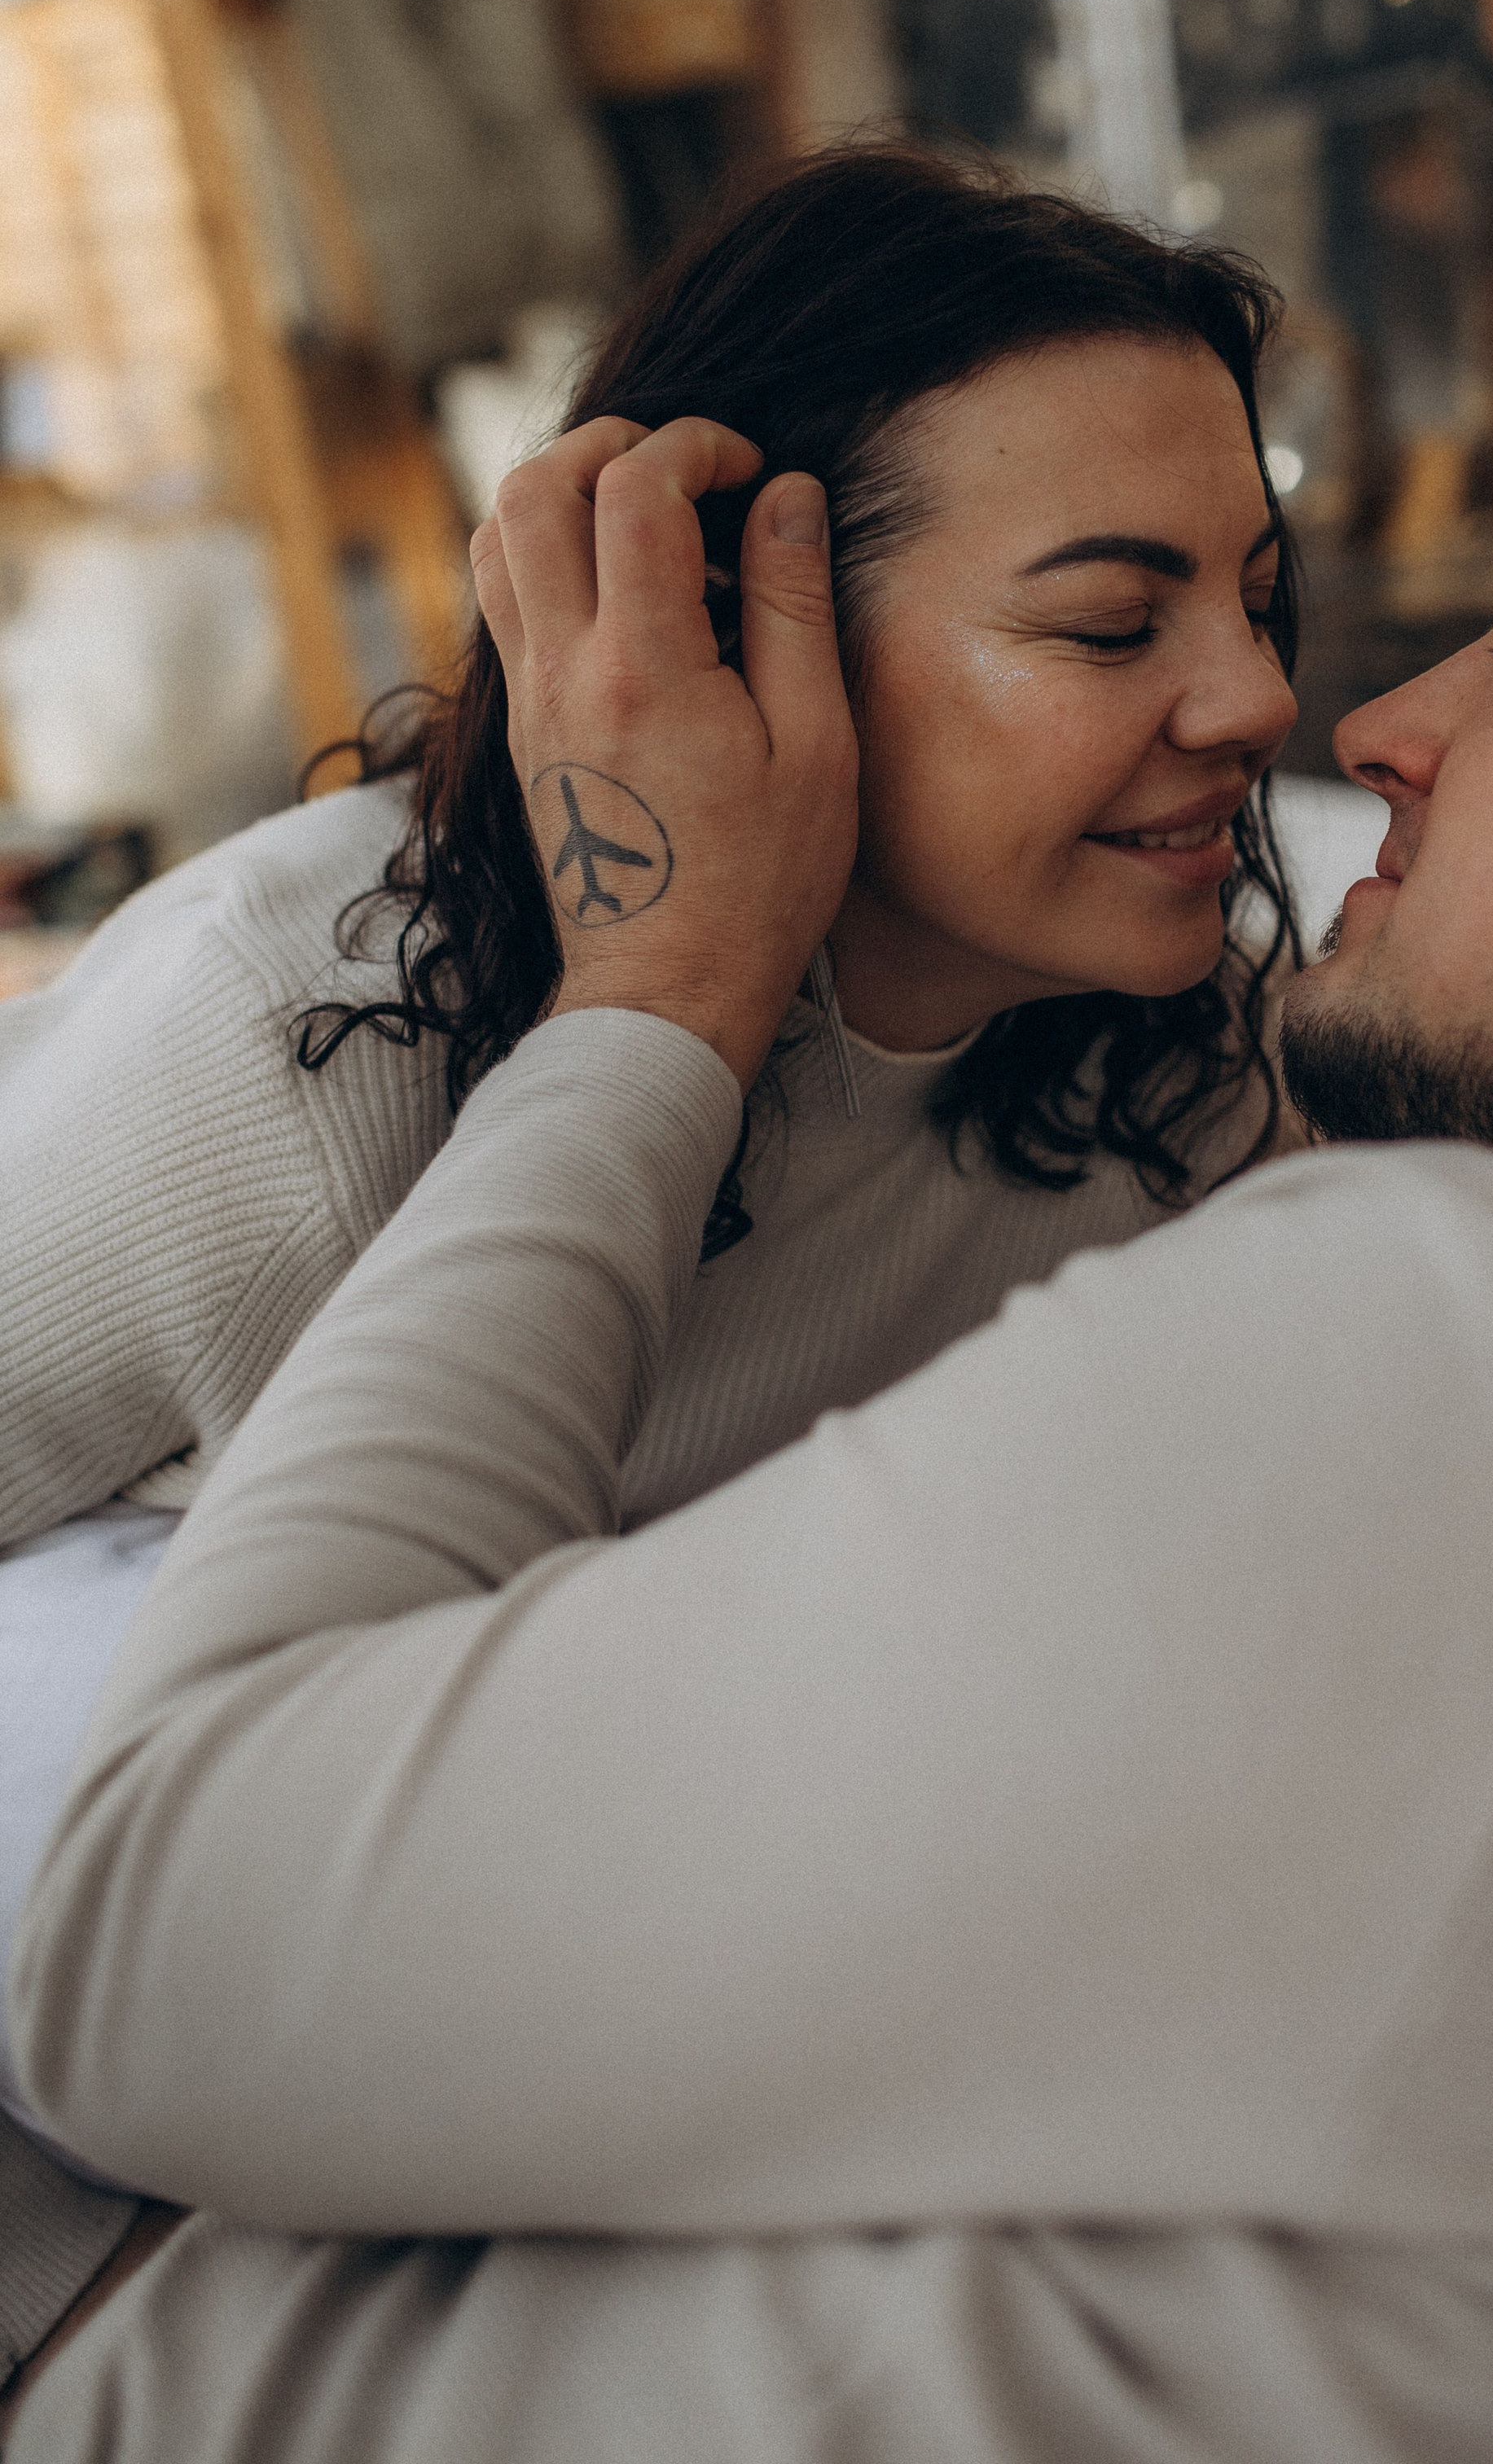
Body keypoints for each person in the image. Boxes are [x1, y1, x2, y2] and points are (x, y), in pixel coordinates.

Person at [10, 247, 1493, 2464]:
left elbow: (152, 1948)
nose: (1348, 718)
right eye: (1112, 623)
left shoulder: (1477, 1372)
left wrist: (656, 1002)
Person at [0, 146, 1307, 2360]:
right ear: (724, 633)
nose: (1255, 698)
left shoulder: (1191, 1089)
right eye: (1112, 623)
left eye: (1257, 598)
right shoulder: (295, 1043)